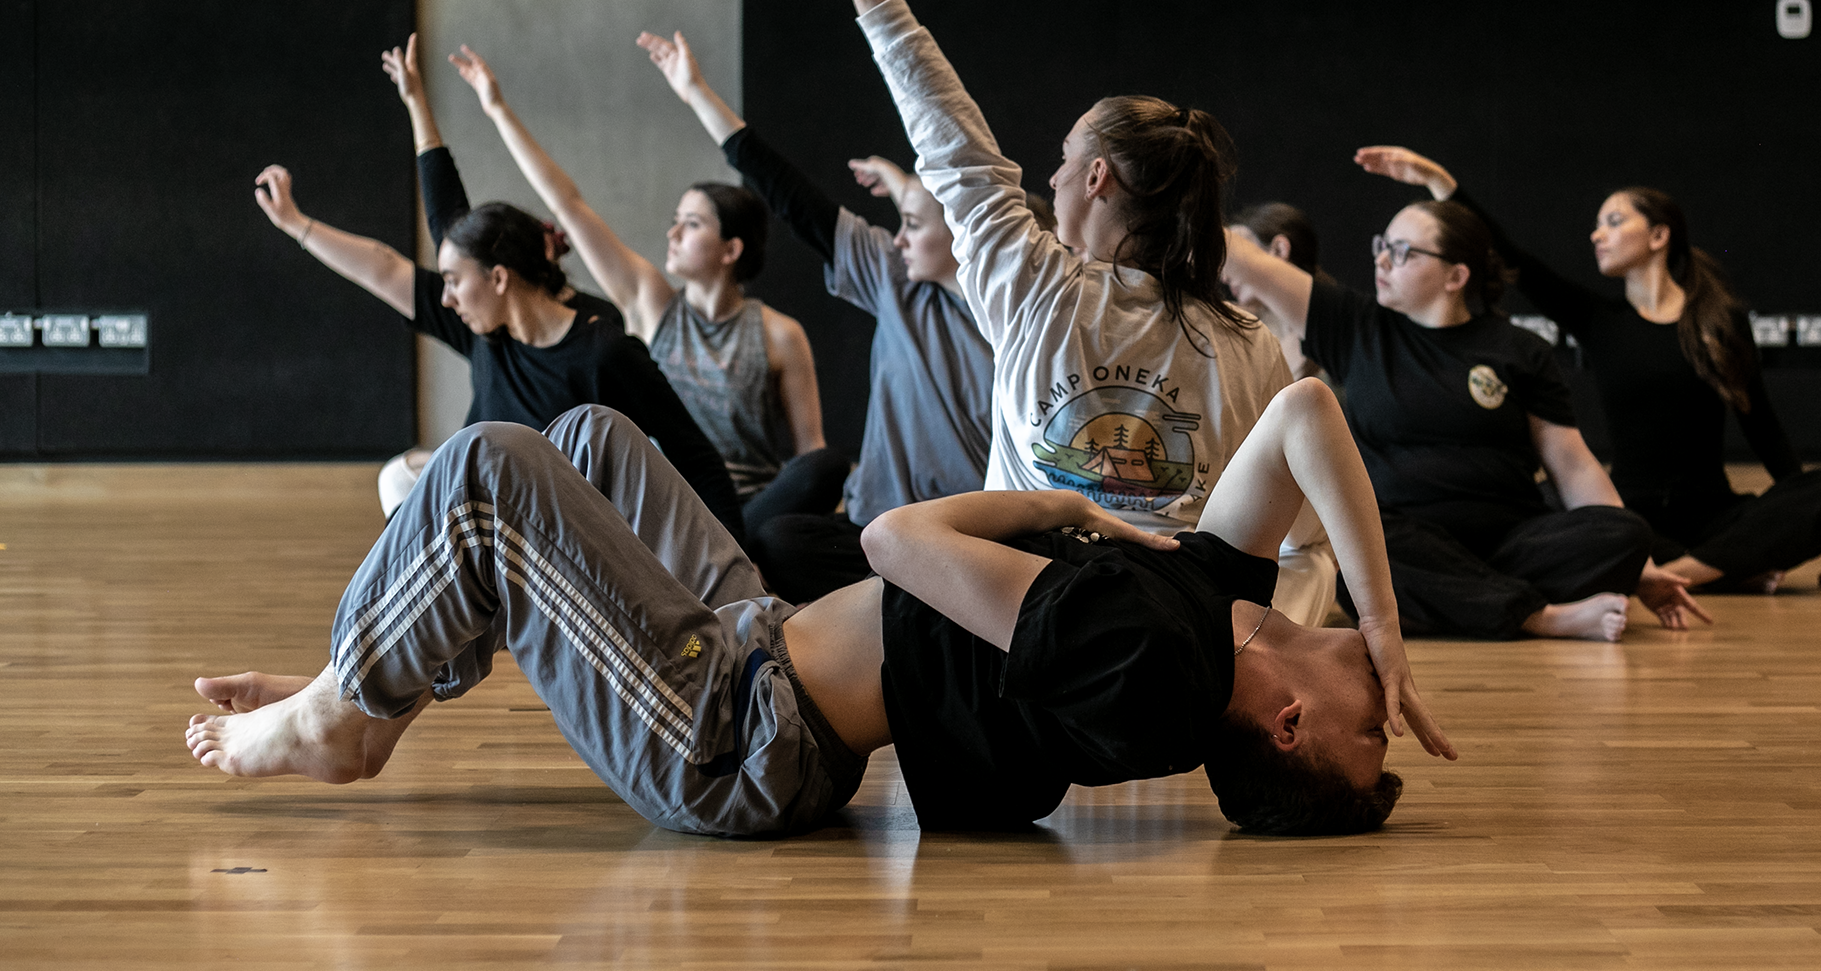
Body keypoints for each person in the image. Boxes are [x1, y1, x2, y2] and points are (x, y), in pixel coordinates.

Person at [184, 381, 1456, 838]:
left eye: (1373, 724)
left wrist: (1052, 507)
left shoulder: (1152, 668)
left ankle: (340, 718)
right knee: (590, 439)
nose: (1389, 702)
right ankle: (370, 687)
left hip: (731, 738)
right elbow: (1302, 411)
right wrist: (1386, 624)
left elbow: (896, 539)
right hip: (754, 637)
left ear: (1289, 726)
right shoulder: (1214, 600)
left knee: (488, 469)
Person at [766, 0, 1341, 627]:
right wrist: (1256, 650)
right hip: (1170, 641)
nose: (1053, 174)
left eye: (1067, 156)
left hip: (1028, 630)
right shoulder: (1248, 341)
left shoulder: (1037, 283)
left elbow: (954, 144)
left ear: (1097, 177)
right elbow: (1306, 548)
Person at [1353, 146, 1821, 593]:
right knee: (1541, 505)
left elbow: (1763, 426)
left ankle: (1680, 574)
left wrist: (1816, 522)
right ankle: (1723, 568)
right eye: (1598, 224)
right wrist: (1442, 185)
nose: (1598, 234)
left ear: (1659, 235)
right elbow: (1516, 261)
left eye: (1614, 221)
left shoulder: (1721, 322)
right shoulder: (1598, 321)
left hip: (1714, 513)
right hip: (1630, 511)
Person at [1224, 199, 1710, 641]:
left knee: (1626, 533)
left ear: (1456, 276)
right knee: (1364, 549)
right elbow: (1249, 260)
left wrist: (1640, 567)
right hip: (1407, 532)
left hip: (1512, 537)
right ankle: (1540, 616)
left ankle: (1452, 604)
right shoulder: (1357, 327)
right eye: (1381, 247)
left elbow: (1573, 465)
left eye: (1402, 251)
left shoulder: (1518, 350)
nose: (1382, 260)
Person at [634, 28, 996, 602]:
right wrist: (695, 91)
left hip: (966, 536)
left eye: (912, 225)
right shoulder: (897, 281)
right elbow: (791, 196)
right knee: (781, 541)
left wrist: (909, 188)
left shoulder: (1015, 317)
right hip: (875, 529)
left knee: (818, 480)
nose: (897, 239)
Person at [442, 43, 848, 537]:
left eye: (693, 224)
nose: (673, 233)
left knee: (825, 468)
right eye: (675, 220)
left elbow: (810, 454)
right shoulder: (654, 304)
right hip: (670, 503)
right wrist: (497, 108)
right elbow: (568, 204)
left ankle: (754, 556)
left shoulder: (781, 334)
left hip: (750, 510)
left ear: (731, 249)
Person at [250, 164, 742, 535]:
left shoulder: (605, 353)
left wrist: (738, 575)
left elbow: (695, 457)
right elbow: (384, 268)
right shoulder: (486, 334)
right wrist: (296, 224)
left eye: (454, 281)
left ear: (499, 277)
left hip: (571, 543)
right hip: (491, 533)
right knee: (401, 477)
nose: (446, 298)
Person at [373, 34, 624, 514]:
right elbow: (448, 221)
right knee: (400, 477)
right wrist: (418, 105)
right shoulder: (491, 324)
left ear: (507, 271)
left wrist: (490, 107)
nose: (450, 297)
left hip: (556, 508)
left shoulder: (596, 334)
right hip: (487, 490)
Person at [1229, 202, 1338, 389]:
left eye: (1238, 257)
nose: (1225, 273)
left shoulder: (1338, 331)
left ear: (1279, 249)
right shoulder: (1231, 329)